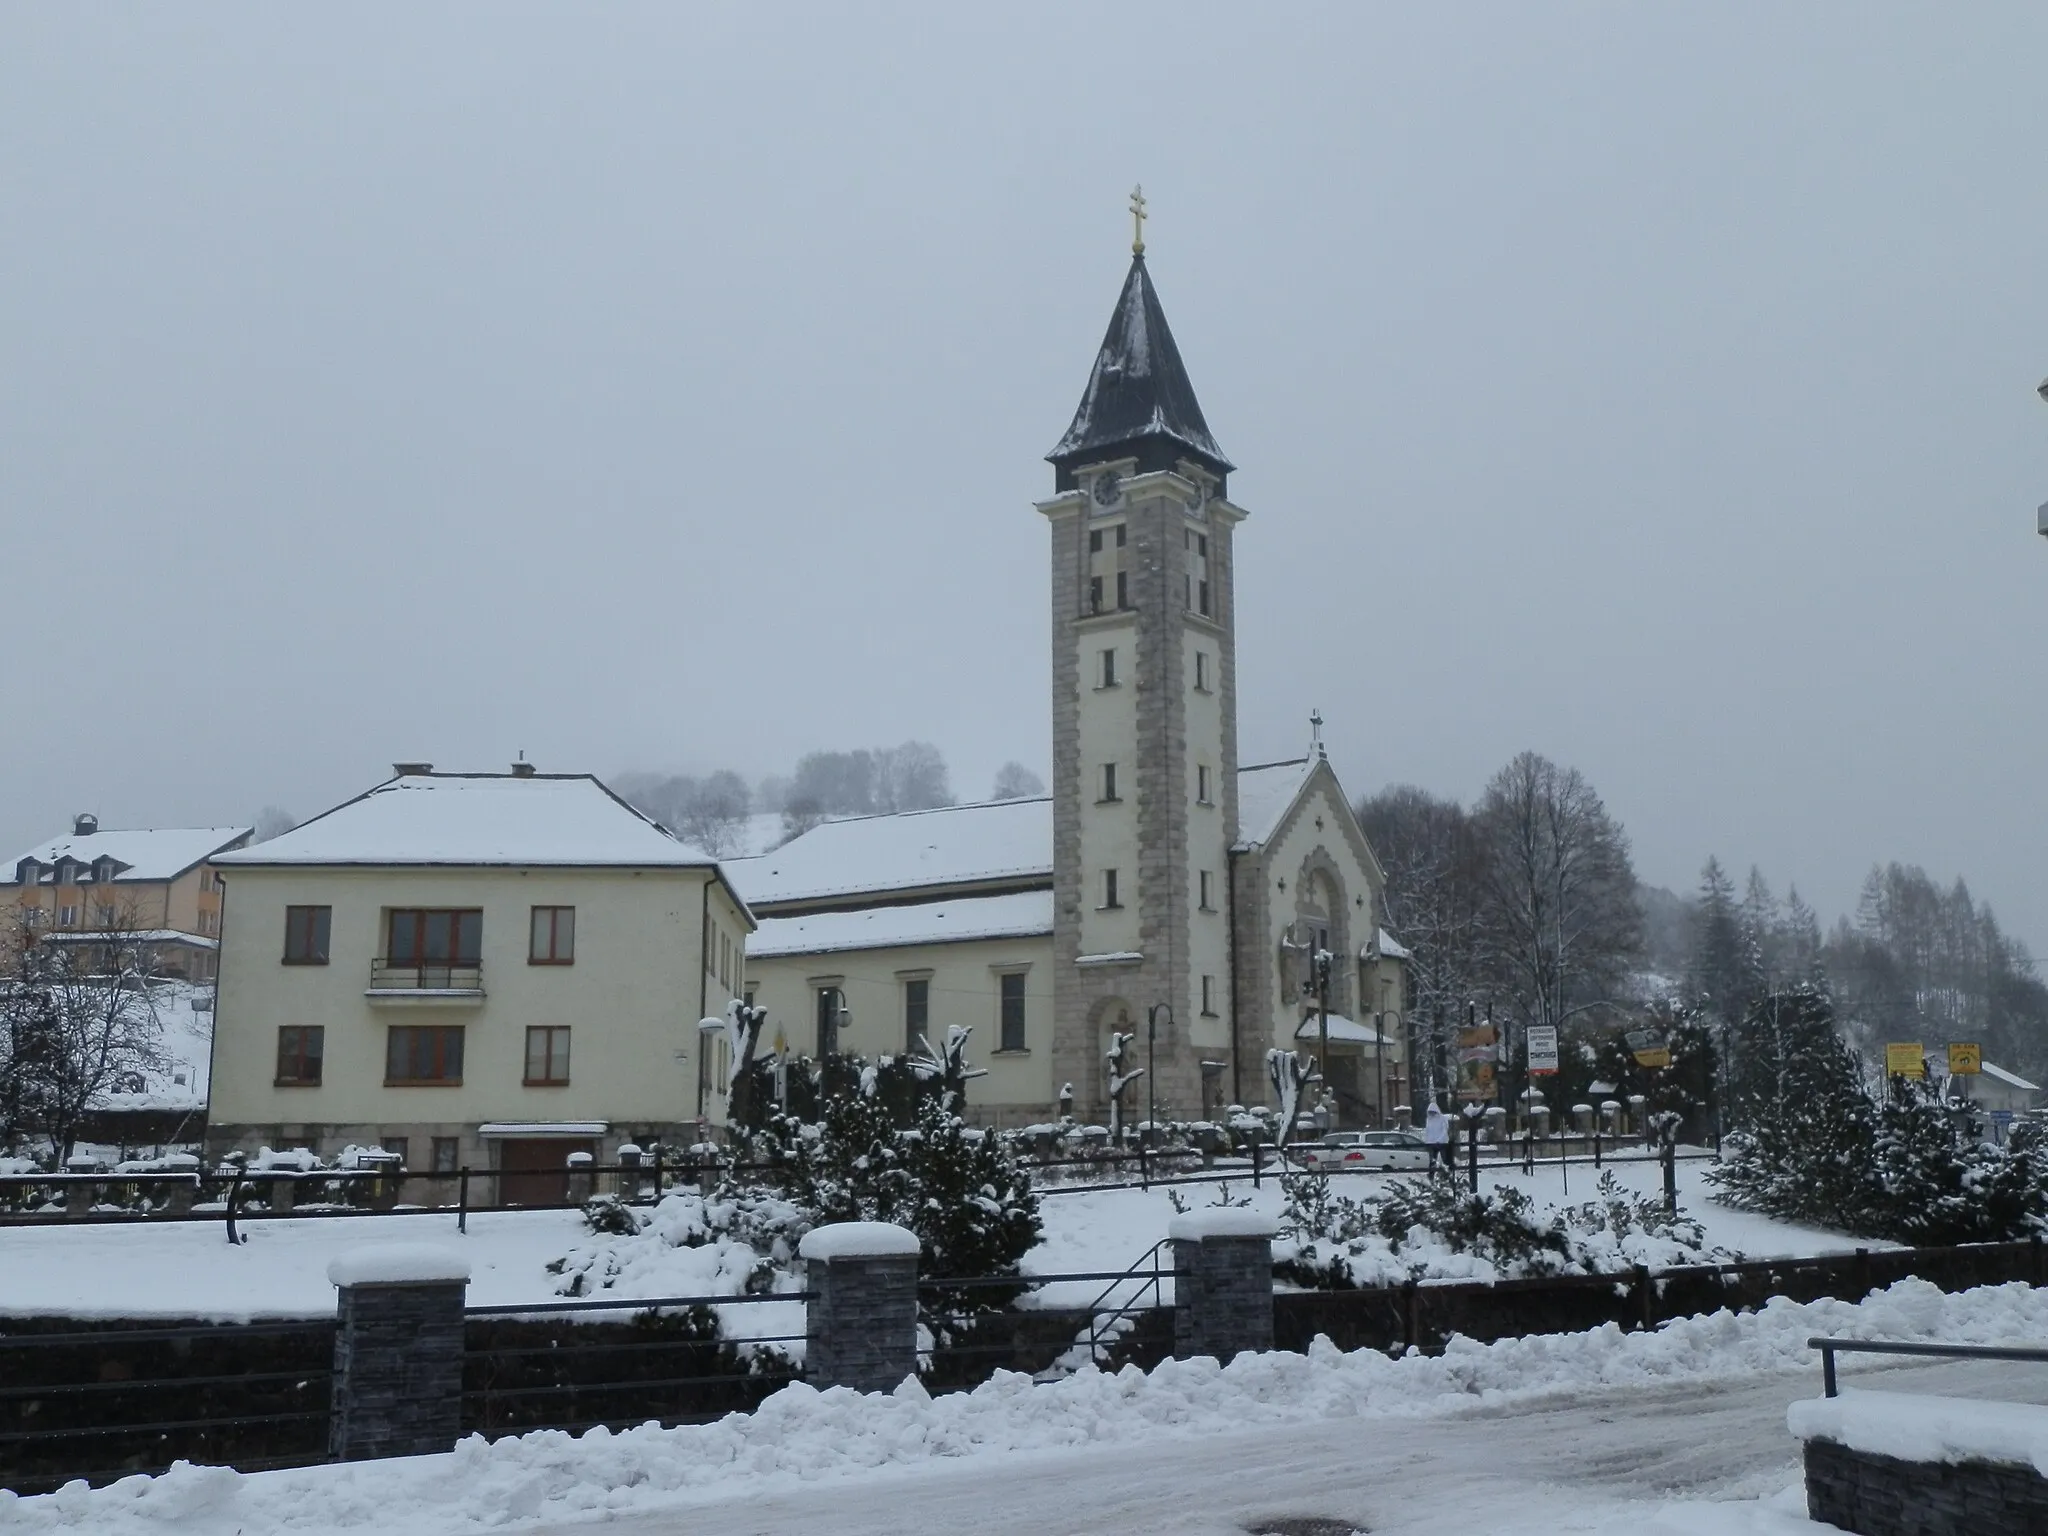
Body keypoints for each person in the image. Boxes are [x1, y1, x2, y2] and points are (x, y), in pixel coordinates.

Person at [1423, 1100, 1451, 1174]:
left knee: (1444, 1160)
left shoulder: (1443, 1118)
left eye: (1433, 1111)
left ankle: (1446, 1174)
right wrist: (1427, 1141)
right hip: (1432, 1143)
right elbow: (1428, 1131)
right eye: (1430, 1112)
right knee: (1432, 1161)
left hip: (1441, 1143)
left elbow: (1445, 1130)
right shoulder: (1429, 1120)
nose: (1431, 1113)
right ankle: (1431, 1175)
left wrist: (1440, 1140)